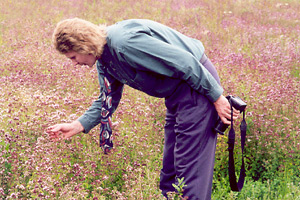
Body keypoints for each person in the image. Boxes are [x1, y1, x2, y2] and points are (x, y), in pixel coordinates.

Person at [46, 18, 239, 200]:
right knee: (170, 171)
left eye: (73, 57)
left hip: (197, 87)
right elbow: (107, 99)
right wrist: (77, 125)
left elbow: (186, 62)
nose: (74, 63)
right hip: (176, 95)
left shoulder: (126, 44)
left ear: (84, 45)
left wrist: (217, 98)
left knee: (189, 171)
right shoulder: (104, 59)